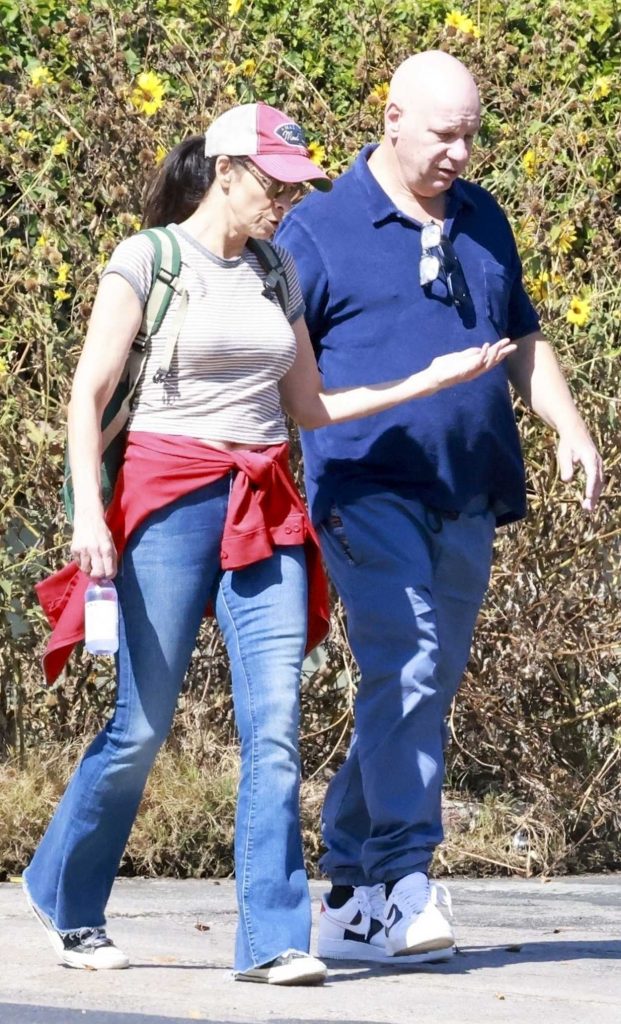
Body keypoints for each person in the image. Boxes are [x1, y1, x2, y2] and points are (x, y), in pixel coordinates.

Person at [24, 101, 513, 985]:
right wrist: (88, 518)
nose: (285, 202)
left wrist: (423, 379)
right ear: (226, 171)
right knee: (140, 725)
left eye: (296, 186)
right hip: (167, 502)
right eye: (274, 184)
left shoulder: (276, 272)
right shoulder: (148, 261)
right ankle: (65, 891)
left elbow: (310, 408)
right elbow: (87, 397)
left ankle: (274, 939)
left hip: (264, 504)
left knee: (275, 728)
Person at [276, 51, 603, 964]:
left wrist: (567, 427)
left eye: (471, 133)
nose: (460, 151)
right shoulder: (320, 230)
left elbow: (522, 340)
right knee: (408, 666)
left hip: (468, 491)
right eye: (442, 133)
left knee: (417, 684)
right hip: (365, 489)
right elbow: (279, 373)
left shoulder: (481, 216)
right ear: (390, 117)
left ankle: (345, 882)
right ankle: (404, 881)